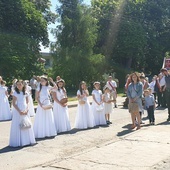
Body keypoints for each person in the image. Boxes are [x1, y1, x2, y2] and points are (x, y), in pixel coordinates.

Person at [9, 80, 36, 147]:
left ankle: (27, 140)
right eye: (17, 84)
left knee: (26, 123)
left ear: (23, 85)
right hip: (18, 109)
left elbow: (27, 102)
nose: (19, 86)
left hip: (25, 108)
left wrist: (27, 109)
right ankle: (20, 141)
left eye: (20, 84)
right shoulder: (15, 93)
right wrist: (19, 111)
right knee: (19, 123)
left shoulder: (25, 92)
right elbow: (14, 104)